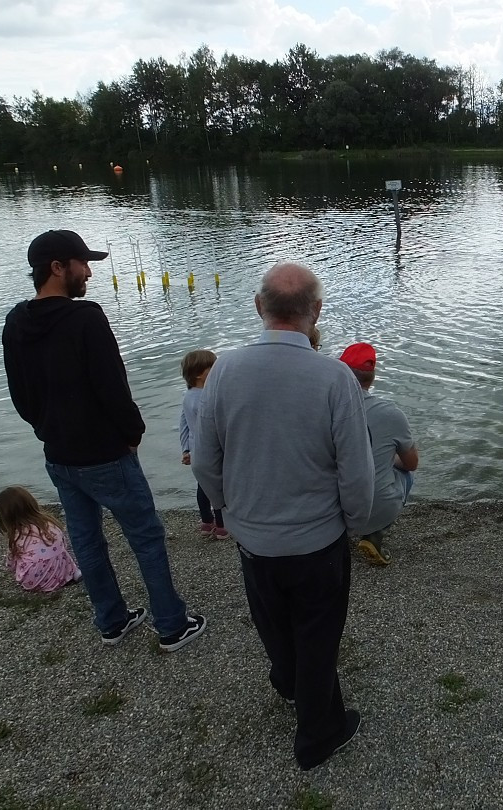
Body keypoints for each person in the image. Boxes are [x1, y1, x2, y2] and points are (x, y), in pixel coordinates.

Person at [192, 262, 375, 770]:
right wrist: (355, 521)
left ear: (259, 307)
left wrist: (229, 508)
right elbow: (355, 472)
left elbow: (206, 459)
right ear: (316, 312)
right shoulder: (335, 378)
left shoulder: (224, 369)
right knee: (319, 632)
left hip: (254, 537)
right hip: (317, 539)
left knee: (272, 619)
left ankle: (289, 683)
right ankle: (319, 735)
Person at [2, 229, 206, 651]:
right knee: (146, 537)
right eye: (83, 263)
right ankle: (171, 624)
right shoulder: (85, 318)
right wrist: (132, 434)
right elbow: (112, 386)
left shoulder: (15, 322)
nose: (89, 273)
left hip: (58, 457)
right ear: (57, 268)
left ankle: (111, 620)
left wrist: (46, 430)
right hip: (106, 454)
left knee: (87, 539)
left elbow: (20, 396)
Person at [338, 342, 419, 566]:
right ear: (372, 379)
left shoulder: (323, 407)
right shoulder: (392, 413)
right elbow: (411, 464)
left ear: (342, 373)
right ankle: (376, 533)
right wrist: (386, 457)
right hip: (374, 507)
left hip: (327, 509)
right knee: (406, 476)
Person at [179, 349, 228, 539]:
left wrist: (186, 448)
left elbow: (183, 423)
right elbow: (214, 427)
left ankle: (207, 522)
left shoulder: (188, 395)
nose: (217, 370)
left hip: (197, 450)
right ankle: (222, 526)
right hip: (211, 451)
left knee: (203, 487)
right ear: (199, 374)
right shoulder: (205, 398)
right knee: (218, 488)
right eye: (212, 368)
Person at [0, 486, 81, 593]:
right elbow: (63, 544)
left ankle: (41, 577)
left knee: (19, 556)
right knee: (62, 552)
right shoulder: (49, 523)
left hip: (33, 581)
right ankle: (74, 572)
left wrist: (11, 567)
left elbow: (11, 561)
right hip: (60, 572)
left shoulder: (17, 535)